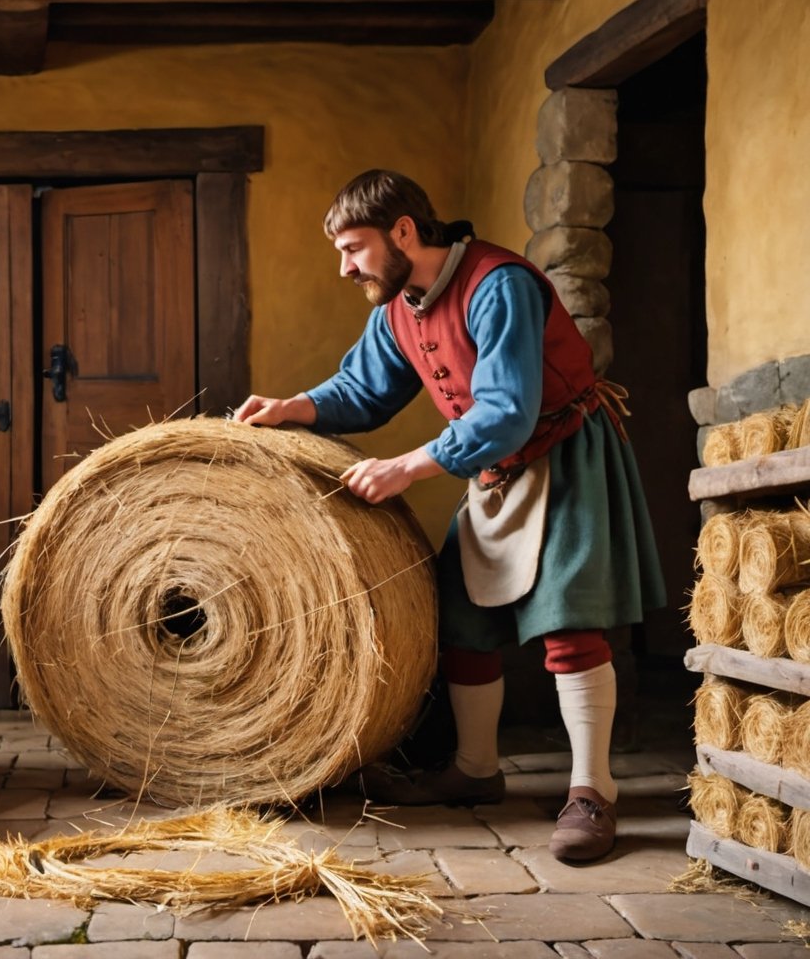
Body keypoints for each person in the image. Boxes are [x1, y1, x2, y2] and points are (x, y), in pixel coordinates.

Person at [235, 170, 664, 863]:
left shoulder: (501, 286)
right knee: (463, 619)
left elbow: (507, 412)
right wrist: (292, 407)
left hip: (562, 456)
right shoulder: (398, 306)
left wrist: (406, 467)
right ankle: (475, 770)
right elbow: (362, 391)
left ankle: (594, 792)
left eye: (354, 248)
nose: (346, 267)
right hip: (491, 467)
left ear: (404, 231)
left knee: (570, 625)